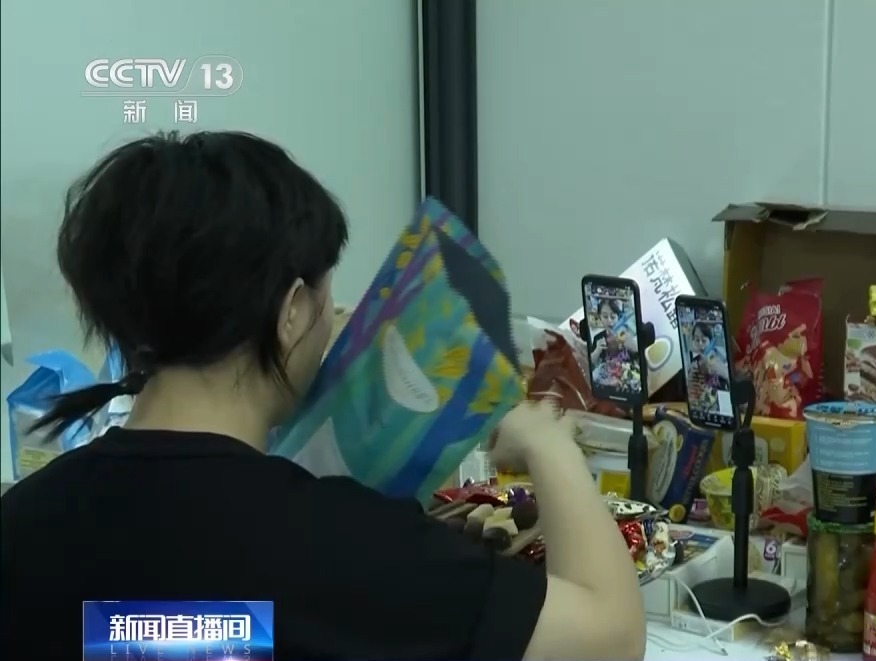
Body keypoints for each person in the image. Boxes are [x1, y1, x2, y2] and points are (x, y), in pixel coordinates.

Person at [0, 131, 646, 661]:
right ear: (289, 312)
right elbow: (609, 639)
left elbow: (180, 630)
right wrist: (548, 444)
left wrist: (443, 570)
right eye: (325, 297)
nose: (334, 316)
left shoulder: (24, 522)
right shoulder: (342, 543)